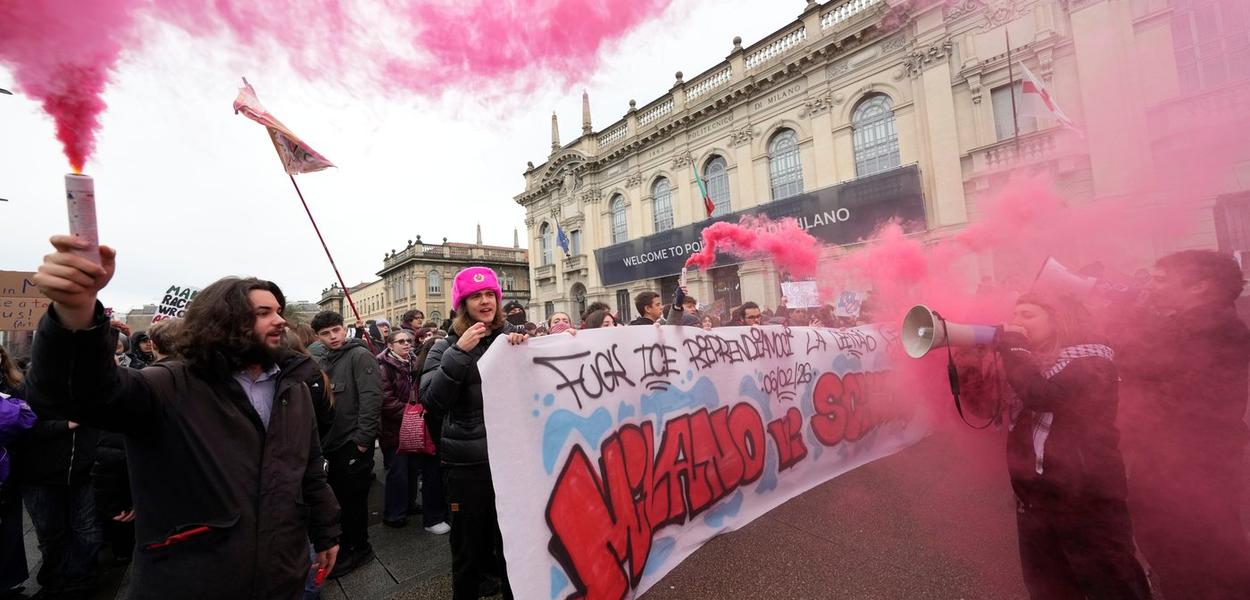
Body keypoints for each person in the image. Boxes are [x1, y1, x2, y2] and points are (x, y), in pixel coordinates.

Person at [26, 236, 340, 598]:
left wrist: (326, 532)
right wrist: (74, 313)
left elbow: (309, 468)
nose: (280, 320)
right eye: (263, 312)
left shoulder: (291, 387)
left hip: (282, 575)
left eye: (279, 310)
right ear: (222, 321)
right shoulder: (169, 385)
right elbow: (78, 393)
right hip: (192, 580)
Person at [994, 293, 1149, 600]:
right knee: (1048, 584)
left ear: (1058, 319)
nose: (1016, 322)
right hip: (1035, 494)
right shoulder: (1030, 361)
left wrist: (1014, 348)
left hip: (1085, 495)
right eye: (1015, 314)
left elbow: (1041, 395)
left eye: (1027, 315)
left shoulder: (1092, 361)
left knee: (1110, 580)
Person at [1114, 250, 1250, 598]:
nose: (1151, 286)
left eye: (1162, 280)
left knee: (1195, 554)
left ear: (1199, 287)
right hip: (1175, 457)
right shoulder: (1194, 325)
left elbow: (1140, 363)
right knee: (1186, 550)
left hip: (1188, 461)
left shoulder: (1214, 331)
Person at [419, 266, 528, 600]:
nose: (485, 301)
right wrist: (459, 353)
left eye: (490, 294)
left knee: (512, 545)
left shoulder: (514, 338)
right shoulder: (444, 347)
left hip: (511, 460)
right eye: (476, 296)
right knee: (466, 548)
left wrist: (560, 344)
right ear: (462, 304)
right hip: (467, 464)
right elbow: (432, 400)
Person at [311, 310, 383, 578]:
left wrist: (362, 441)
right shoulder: (325, 359)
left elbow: (371, 399)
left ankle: (360, 548)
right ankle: (348, 547)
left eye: (336, 330)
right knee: (341, 499)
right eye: (326, 333)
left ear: (344, 328)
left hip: (352, 443)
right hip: (333, 442)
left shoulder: (359, 355)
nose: (333, 336)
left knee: (353, 501)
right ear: (318, 337)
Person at [377, 329, 449, 534]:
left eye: (408, 340)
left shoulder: (414, 361)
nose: (407, 344)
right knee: (397, 473)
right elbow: (386, 400)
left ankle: (408, 505)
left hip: (414, 425)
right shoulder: (383, 366)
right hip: (395, 428)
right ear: (390, 345)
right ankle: (394, 514)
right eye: (401, 341)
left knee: (411, 470)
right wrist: (413, 413)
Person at [0, 359, 35, 600]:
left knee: (10, 529)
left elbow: (28, 421)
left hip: (10, 469)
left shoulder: (15, 386)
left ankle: (8, 581)